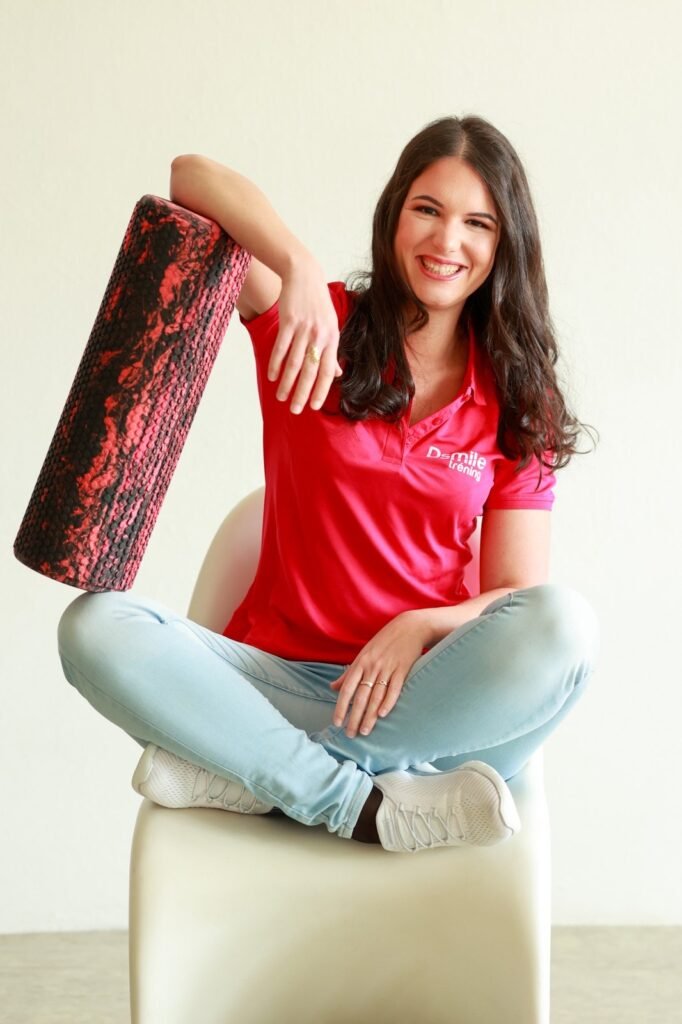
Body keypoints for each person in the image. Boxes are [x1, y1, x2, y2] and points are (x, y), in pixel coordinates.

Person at [57, 115, 600, 854]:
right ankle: (357, 803)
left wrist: (423, 626)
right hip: (269, 687)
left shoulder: (517, 397)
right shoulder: (316, 324)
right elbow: (190, 178)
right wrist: (298, 266)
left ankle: (258, 777)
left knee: (566, 628)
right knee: (92, 627)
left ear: (504, 245)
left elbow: (514, 595)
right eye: (428, 209)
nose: (447, 241)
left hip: (415, 701)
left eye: (478, 223)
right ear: (394, 214)